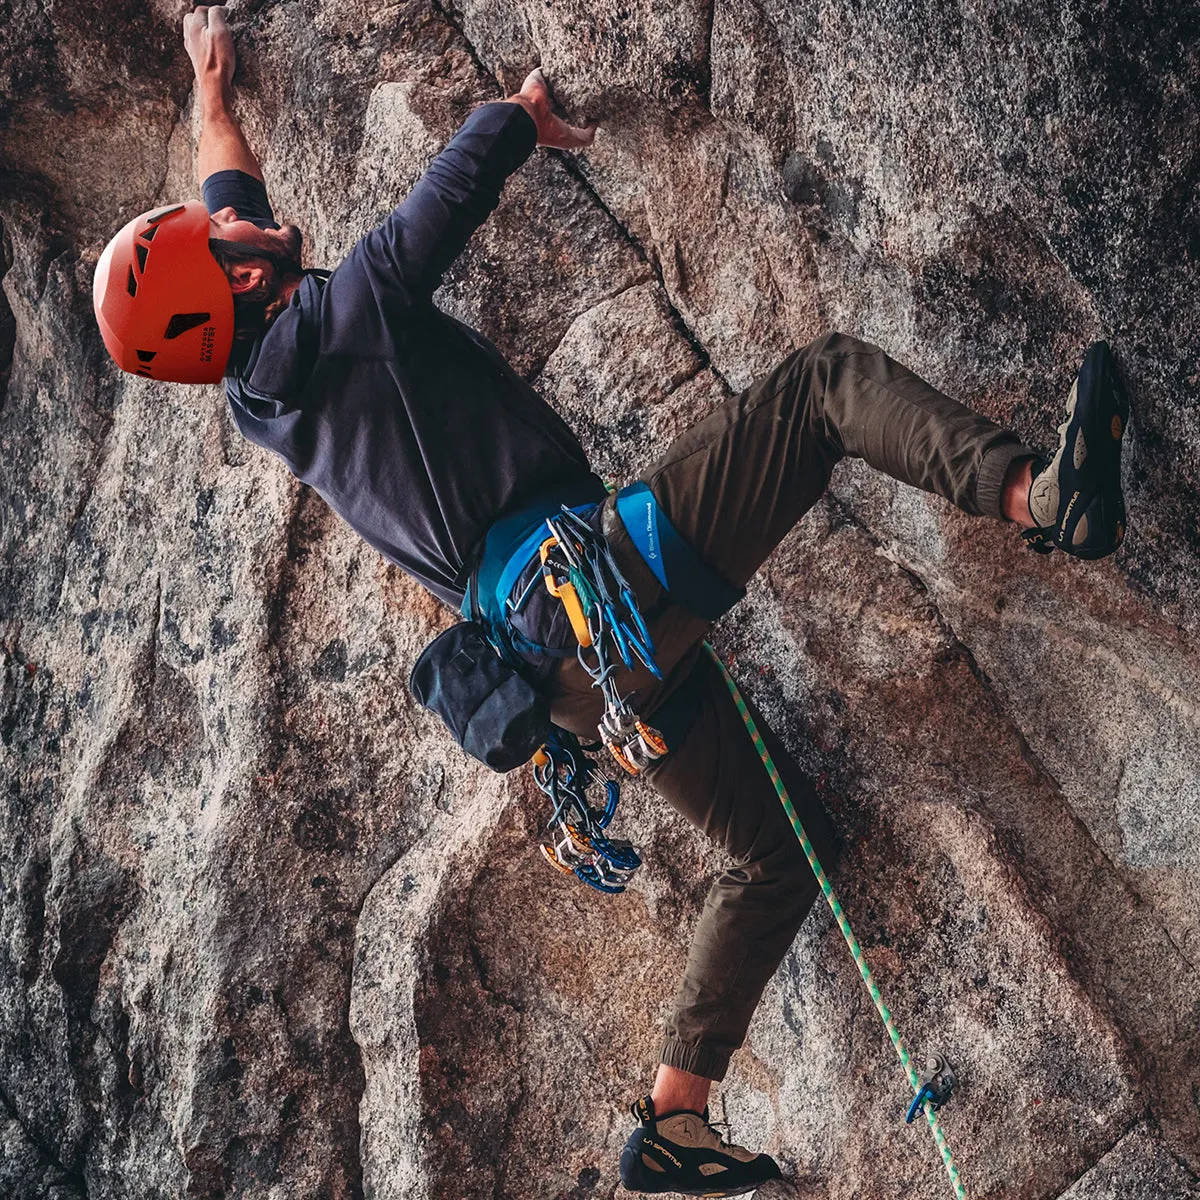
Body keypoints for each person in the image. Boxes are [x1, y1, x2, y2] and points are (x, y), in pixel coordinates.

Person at [91, 7, 1129, 1195]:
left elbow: (225, 220)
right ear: (237, 280)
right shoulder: (346, 314)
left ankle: (673, 1118)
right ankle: (1041, 500)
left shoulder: (258, 392)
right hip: (600, 591)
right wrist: (518, 118)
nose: (231, 216)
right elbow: (434, 213)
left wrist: (212, 91)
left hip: (574, 685)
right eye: (217, 233)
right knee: (824, 387)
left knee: (779, 854)